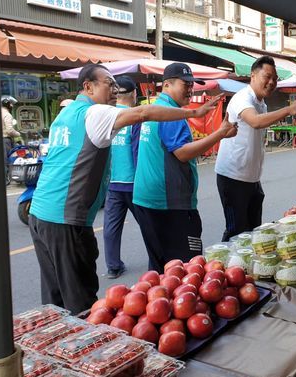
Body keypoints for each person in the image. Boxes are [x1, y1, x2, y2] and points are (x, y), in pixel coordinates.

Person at [28, 63, 218, 314]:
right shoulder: (94, 113)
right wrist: (193, 113)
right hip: (65, 218)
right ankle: (84, 348)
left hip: (40, 214)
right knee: (81, 302)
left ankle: (54, 346)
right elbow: (143, 114)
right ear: (88, 86)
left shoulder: (65, 115)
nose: (116, 89)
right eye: (109, 83)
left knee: (55, 297)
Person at [133, 63, 238, 272]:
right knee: (186, 269)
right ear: (167, 85)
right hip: (168, 204)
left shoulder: (156, 109)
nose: (190, 89)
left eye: (192, 84)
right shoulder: (170, 113)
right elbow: (182, 153)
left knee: (160, 266)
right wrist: (220, 134)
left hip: (146, 199)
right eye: (185, 84)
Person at [215, 56, 296, 242]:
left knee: (253, 232)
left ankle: (244, 269)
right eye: (267, 76)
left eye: (275, 79)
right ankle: (224, 267)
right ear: (253, 75)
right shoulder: (242, 98)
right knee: (236, 232)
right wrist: (287, 110)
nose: (271, 82)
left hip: (252, 179)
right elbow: (255, 122)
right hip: (233, 177)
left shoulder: (261, 103)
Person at [102, 76, 140, 279]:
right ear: (134, 94)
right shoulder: (134, 117)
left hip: (113, 182)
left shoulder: (107, 117)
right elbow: (136, 150)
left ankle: (113, 266)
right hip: (134, 182)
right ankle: (159, 261)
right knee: (149, 224)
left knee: (111, 227)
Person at [1, 95, 20, 167]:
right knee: (7, 160)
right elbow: (10, 130)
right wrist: (18, 134)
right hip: (6, 140)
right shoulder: (7, 114)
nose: (12, 105)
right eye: (11, 103)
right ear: (6, 103)